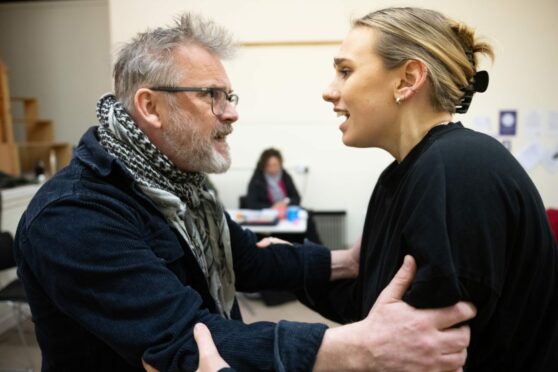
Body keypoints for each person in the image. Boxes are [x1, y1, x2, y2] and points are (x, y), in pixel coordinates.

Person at [14, 12, 475, 371]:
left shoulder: (182, 183)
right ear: (150, 107)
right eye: (212, 95)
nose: (230, 113)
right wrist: (359, 348)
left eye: (229, 97)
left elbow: (247, 259)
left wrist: (344, 261)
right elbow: (184, 341)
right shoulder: (75, 214)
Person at [306, 6, 558, 371]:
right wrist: (284, 266)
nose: (330, 91)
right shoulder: (403, 174)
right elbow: (372, 310)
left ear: (408, 79)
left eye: (346, 71)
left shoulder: (456, 170)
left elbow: (418, 353)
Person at [246, 147, 322, 244]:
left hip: (287, 215)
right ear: (263, 165)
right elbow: (252, 204)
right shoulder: (257, 179)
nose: (273, 168)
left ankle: (318, 249)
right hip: (269, 220)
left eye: (275, 165)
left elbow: (296, 197)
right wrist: (272, 207)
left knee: (308, 218)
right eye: (269, 165)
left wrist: (285, 203)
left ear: (280, 164)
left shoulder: (285, 176)